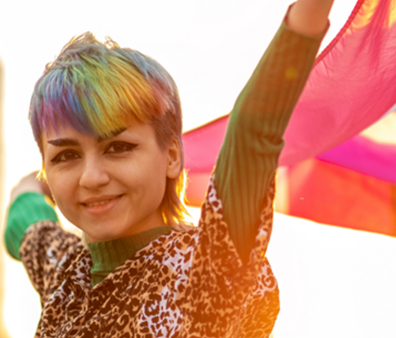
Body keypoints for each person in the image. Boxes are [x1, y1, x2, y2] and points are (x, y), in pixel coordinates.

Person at [4, 1, 333, 336]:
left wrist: (307, 17)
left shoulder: (207, 267)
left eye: (118, 148)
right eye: (66, 156)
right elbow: (24, 223)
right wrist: (33, 187)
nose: (91, 177)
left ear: (172, 156)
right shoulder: (65, 273)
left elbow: (252, 132)